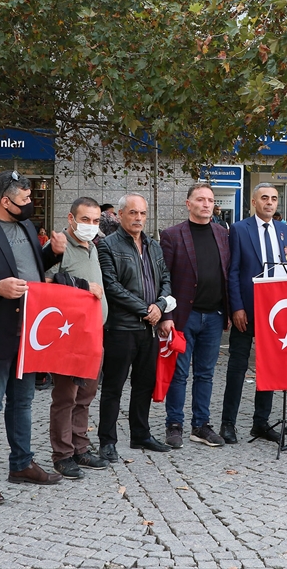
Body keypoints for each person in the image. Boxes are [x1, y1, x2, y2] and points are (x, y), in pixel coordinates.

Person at [0, 171, 65, 505]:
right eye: (24, 200)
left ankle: (21, 464)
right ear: (5, 201)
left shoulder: (23, 226)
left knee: (22, 401)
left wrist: (52, 252)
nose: (29, 205)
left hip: (29, 330)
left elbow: (31, 268)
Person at [96, 193, 176, 459]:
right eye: (132, 213)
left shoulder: (154, 245)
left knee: (144, 384)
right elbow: (111, 286)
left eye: (142, 213)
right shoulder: (107, 245)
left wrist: (160, 306)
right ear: (120, 215)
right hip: (121, 327)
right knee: (113, 387)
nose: (138, 218)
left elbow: (166, 278)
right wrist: (145, 310)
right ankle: (107, 440)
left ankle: (140, 434)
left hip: (149, 328)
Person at [222, 183, 287, 444]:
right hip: (248, 310)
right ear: (254, 202)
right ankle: (227, 423)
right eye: (264, 198)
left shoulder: (286, 231)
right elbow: (233, 272)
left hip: (276, 313)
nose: (270, 203)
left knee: (269, 368)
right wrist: (237, 307)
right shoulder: (240, 230)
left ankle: (261, 423)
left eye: (274, 199)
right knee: (237, 368)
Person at [45, 197, 111, 480]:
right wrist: (83, 287)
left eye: (96, 221)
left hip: (93, 334)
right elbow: (45, 283)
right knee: (66, 397)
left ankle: (80, 447)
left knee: (86, 395)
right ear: (71, 219)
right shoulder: (58, 247)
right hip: (69, 336)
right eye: (85, 220)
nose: (91, 226)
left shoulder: (92, 247)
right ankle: (63, 454)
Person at [160, 184, 230, 449]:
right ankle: (174, 424)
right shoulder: (172, 235)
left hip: (214, 315)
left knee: (206, 374)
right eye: (200, 199)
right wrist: (166, 314)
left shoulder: (222, 234)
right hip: (183, 316)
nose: (206, 204)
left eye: (210, 200)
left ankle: (201, 425)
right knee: (179, 374)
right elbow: (164, 278)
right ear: (188, 204)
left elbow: (227, 272)